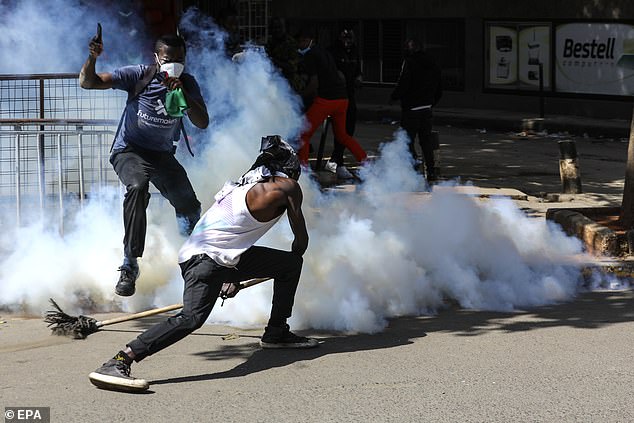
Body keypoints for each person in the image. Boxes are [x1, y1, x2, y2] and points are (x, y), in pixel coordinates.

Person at [88, 136, 317, 392]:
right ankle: (120, 360)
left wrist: (231, 275)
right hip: (207, 261)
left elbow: (227, 234)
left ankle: (276, 332)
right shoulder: (287, 187)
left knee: (287, 265)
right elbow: (301, 242)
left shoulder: (240, 187)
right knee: (191, 318)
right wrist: (297, 254)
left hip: (208, 256)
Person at [79, 31, 210, 297]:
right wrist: (92, 58)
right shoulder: (139, 74)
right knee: (138, 188)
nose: (174, 63)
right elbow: (88, 82)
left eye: (180, 59)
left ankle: (194, 257)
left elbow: (202, 121)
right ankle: (129, 264)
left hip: (161, 155)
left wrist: (183, 92)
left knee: (188, 204)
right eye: (168, 58)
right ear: (157, 58)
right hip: (129, 151)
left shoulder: (188, 82)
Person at [296, 28, 367, 172]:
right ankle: (367, 164)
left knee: (303, 135)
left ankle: (302, 172)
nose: (300, 45)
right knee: (342, 135)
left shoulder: (311, 55)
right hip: (343, 99)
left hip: (326, 100)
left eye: (301, 41)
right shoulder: (324, 52)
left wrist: (298, 96)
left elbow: (314, 84)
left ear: (308, 40)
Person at [390, 38, 442, 181]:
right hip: (426, 108)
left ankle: (414, 168)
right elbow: (439, 87)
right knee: (425, 141)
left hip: (412, 109)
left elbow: (403, 83)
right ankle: (431, 172)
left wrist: (394, 97)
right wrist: (431, 102)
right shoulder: (432, 62)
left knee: (407, 141)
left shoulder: (409, 63)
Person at [325, 29, 363, 179]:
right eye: (345, 38)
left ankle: (336, 158)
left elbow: (357, 70)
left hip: (349, 95)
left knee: (348, 129)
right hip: (336, 95)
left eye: (350, 38)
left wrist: (359, 78)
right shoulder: (333, 52)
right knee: (340, 130)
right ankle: (338, 161)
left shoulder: (353, 52)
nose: (348, 41)